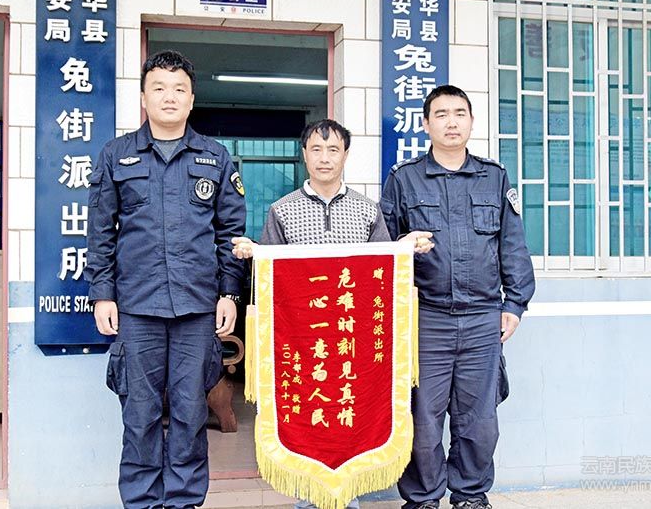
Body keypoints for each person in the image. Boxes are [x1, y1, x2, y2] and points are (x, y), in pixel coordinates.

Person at [232, 119, 432, 509]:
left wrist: (404, 248)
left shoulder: (367, 210)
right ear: (304, 155)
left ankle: (347, 499)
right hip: (301, 345)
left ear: (345, 155)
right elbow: (271, 277)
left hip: (352, 343)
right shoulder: (282, 210)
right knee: (307, 419)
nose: (325, 158)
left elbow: (381, 271)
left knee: (349, 415)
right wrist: (255, 253)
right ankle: (309, 500)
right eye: (317, 150)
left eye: (333, 150)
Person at [85, 50, 246, 509]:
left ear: (192, 99)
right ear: (143, 97)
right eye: (159, 88)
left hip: (197, 308)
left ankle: (183, 501)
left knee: (192, 413)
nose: (169, 97)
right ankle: (141, 501)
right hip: (136, 307)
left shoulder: (215, 157)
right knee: (140, 413)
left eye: (179, 89)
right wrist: (102, 294)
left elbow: (230, 233)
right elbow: (100, 232)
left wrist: (229, 293)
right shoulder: (117, 155)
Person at [380, 85, 535, 509]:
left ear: (471, 121)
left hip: (483, 317)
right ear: (425, 124)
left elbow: (512, 245)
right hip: (426, 318)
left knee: (479, 419)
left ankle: (470, 494)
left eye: (459, 113)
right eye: (442, 114)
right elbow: (382, 244)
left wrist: (514, 304)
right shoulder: (404, 178)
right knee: (423, 417)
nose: (452, 122)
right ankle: (423, 498)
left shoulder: (494, 177)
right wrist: (402, 247)